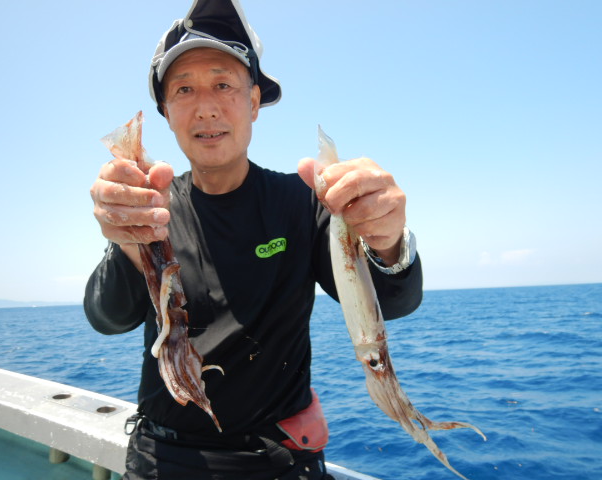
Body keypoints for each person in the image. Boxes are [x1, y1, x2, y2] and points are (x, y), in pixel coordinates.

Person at [85, 1, 423, 478]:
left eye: (223, 84)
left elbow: (393, 301)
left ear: (254, 101)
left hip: (278, 462)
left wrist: (388, 241)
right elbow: (107, 318)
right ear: (166, 112)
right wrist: (127, 241)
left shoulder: (303, 204)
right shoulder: (151, 208)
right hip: (162, 460)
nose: (206, 107)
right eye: (184, 89)